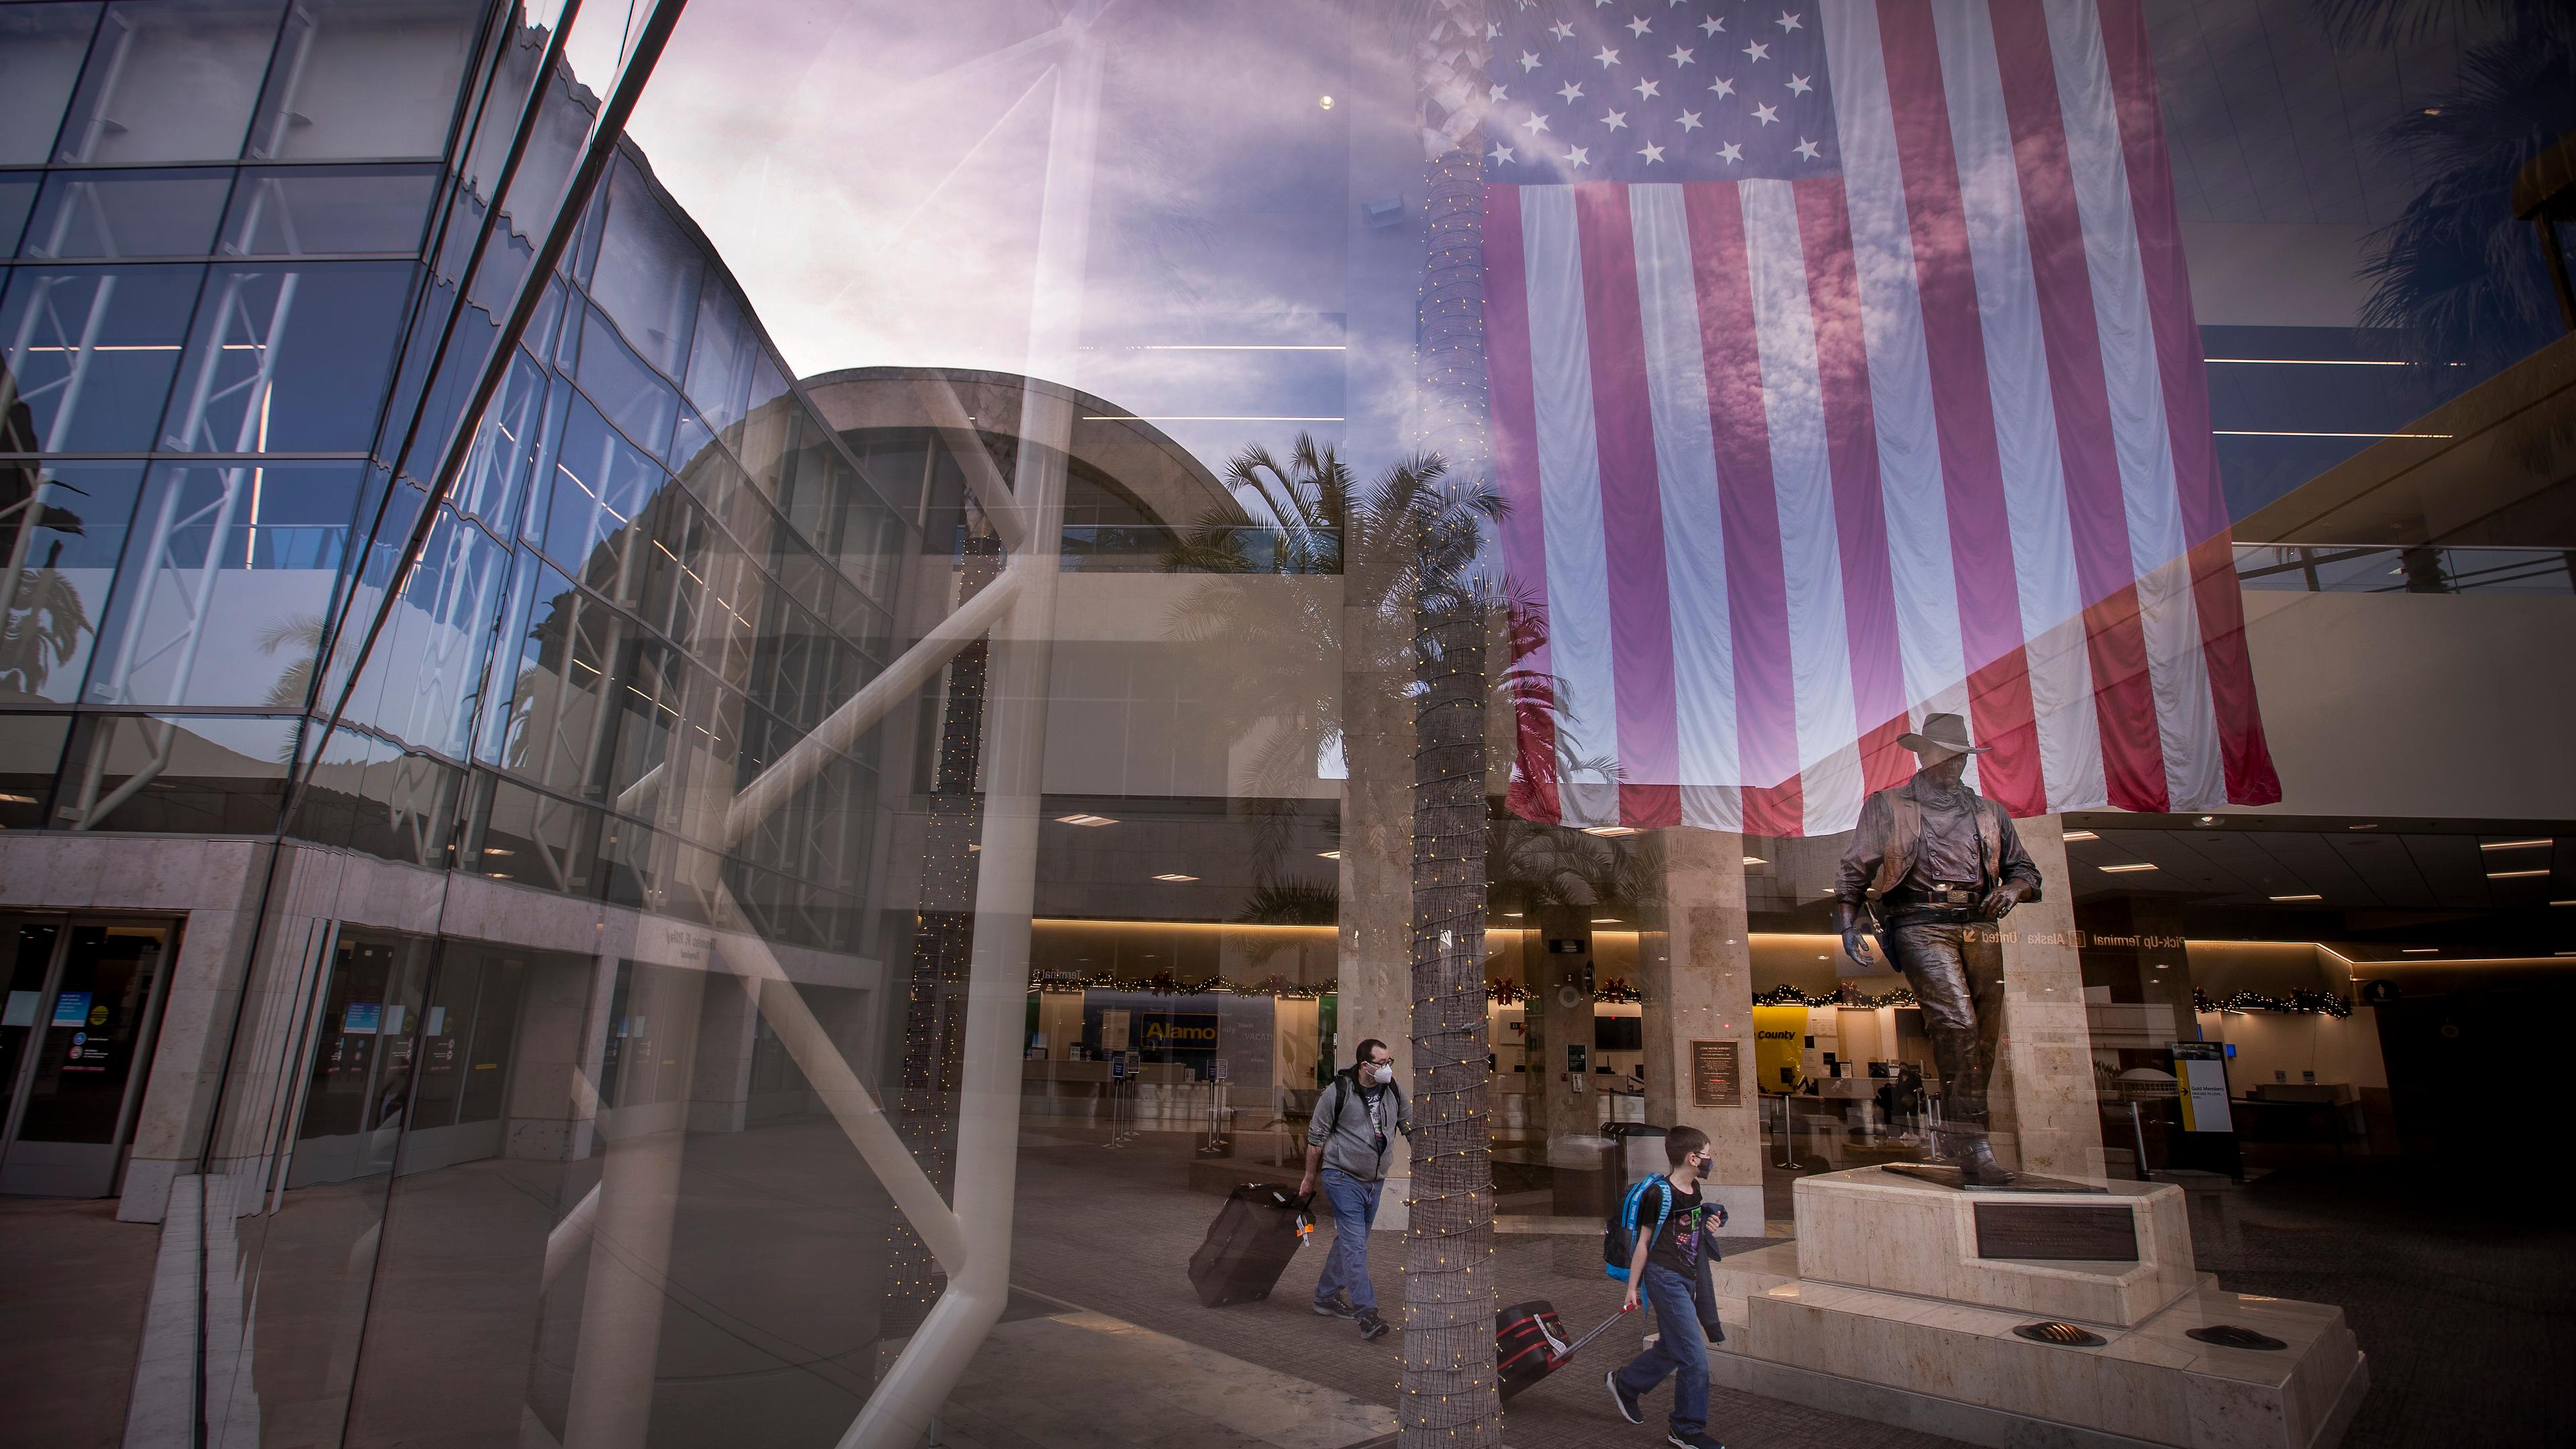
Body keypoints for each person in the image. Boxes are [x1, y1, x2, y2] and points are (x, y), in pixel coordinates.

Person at [1829, 712, 2041, 1186]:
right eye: (1946, 757)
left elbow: (2024, 870)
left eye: (1960, 758)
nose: (1954, 767)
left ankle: (1959, 1130)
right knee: (1957, 1022)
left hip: (1979, 922)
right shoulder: (1888, 805)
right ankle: (1973, 1139)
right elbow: (1855, 866)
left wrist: (2012, 890)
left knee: (1985, 1034)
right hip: (1919, 922)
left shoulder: (1989, 811)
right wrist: (1847, 921)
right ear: (1924, 757)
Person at [1605, 1126, 1729, 1449]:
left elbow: (1690, 1227)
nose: (1710, 1159)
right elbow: (1643, 1244)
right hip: (1664, 1278)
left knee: (1674, 1347)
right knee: (1694, 1358)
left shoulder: (1695, 1189)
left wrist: (1710, 1221)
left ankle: (1627, 1384)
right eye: (1707, 1154)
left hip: (1688, 1275)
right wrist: (1632, 1288)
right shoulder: (1659, 1194)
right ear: (1692, 1158)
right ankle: (1685, 1429)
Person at [1299, 1038, 1410, 1340]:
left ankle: (1325, 1296)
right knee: (1355, 1246)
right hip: (1341, 1177)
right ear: (1365, 1066)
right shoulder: (1338, 1092)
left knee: (1351, 1242)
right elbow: (1316, 1137)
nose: (1388, 1068)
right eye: (1382, 1063)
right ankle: (1367, 1315)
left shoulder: (1393, 1090)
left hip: (1374, 1181)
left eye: (1390, 1061)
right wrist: (1310, 1177)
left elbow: (1409, 1125)